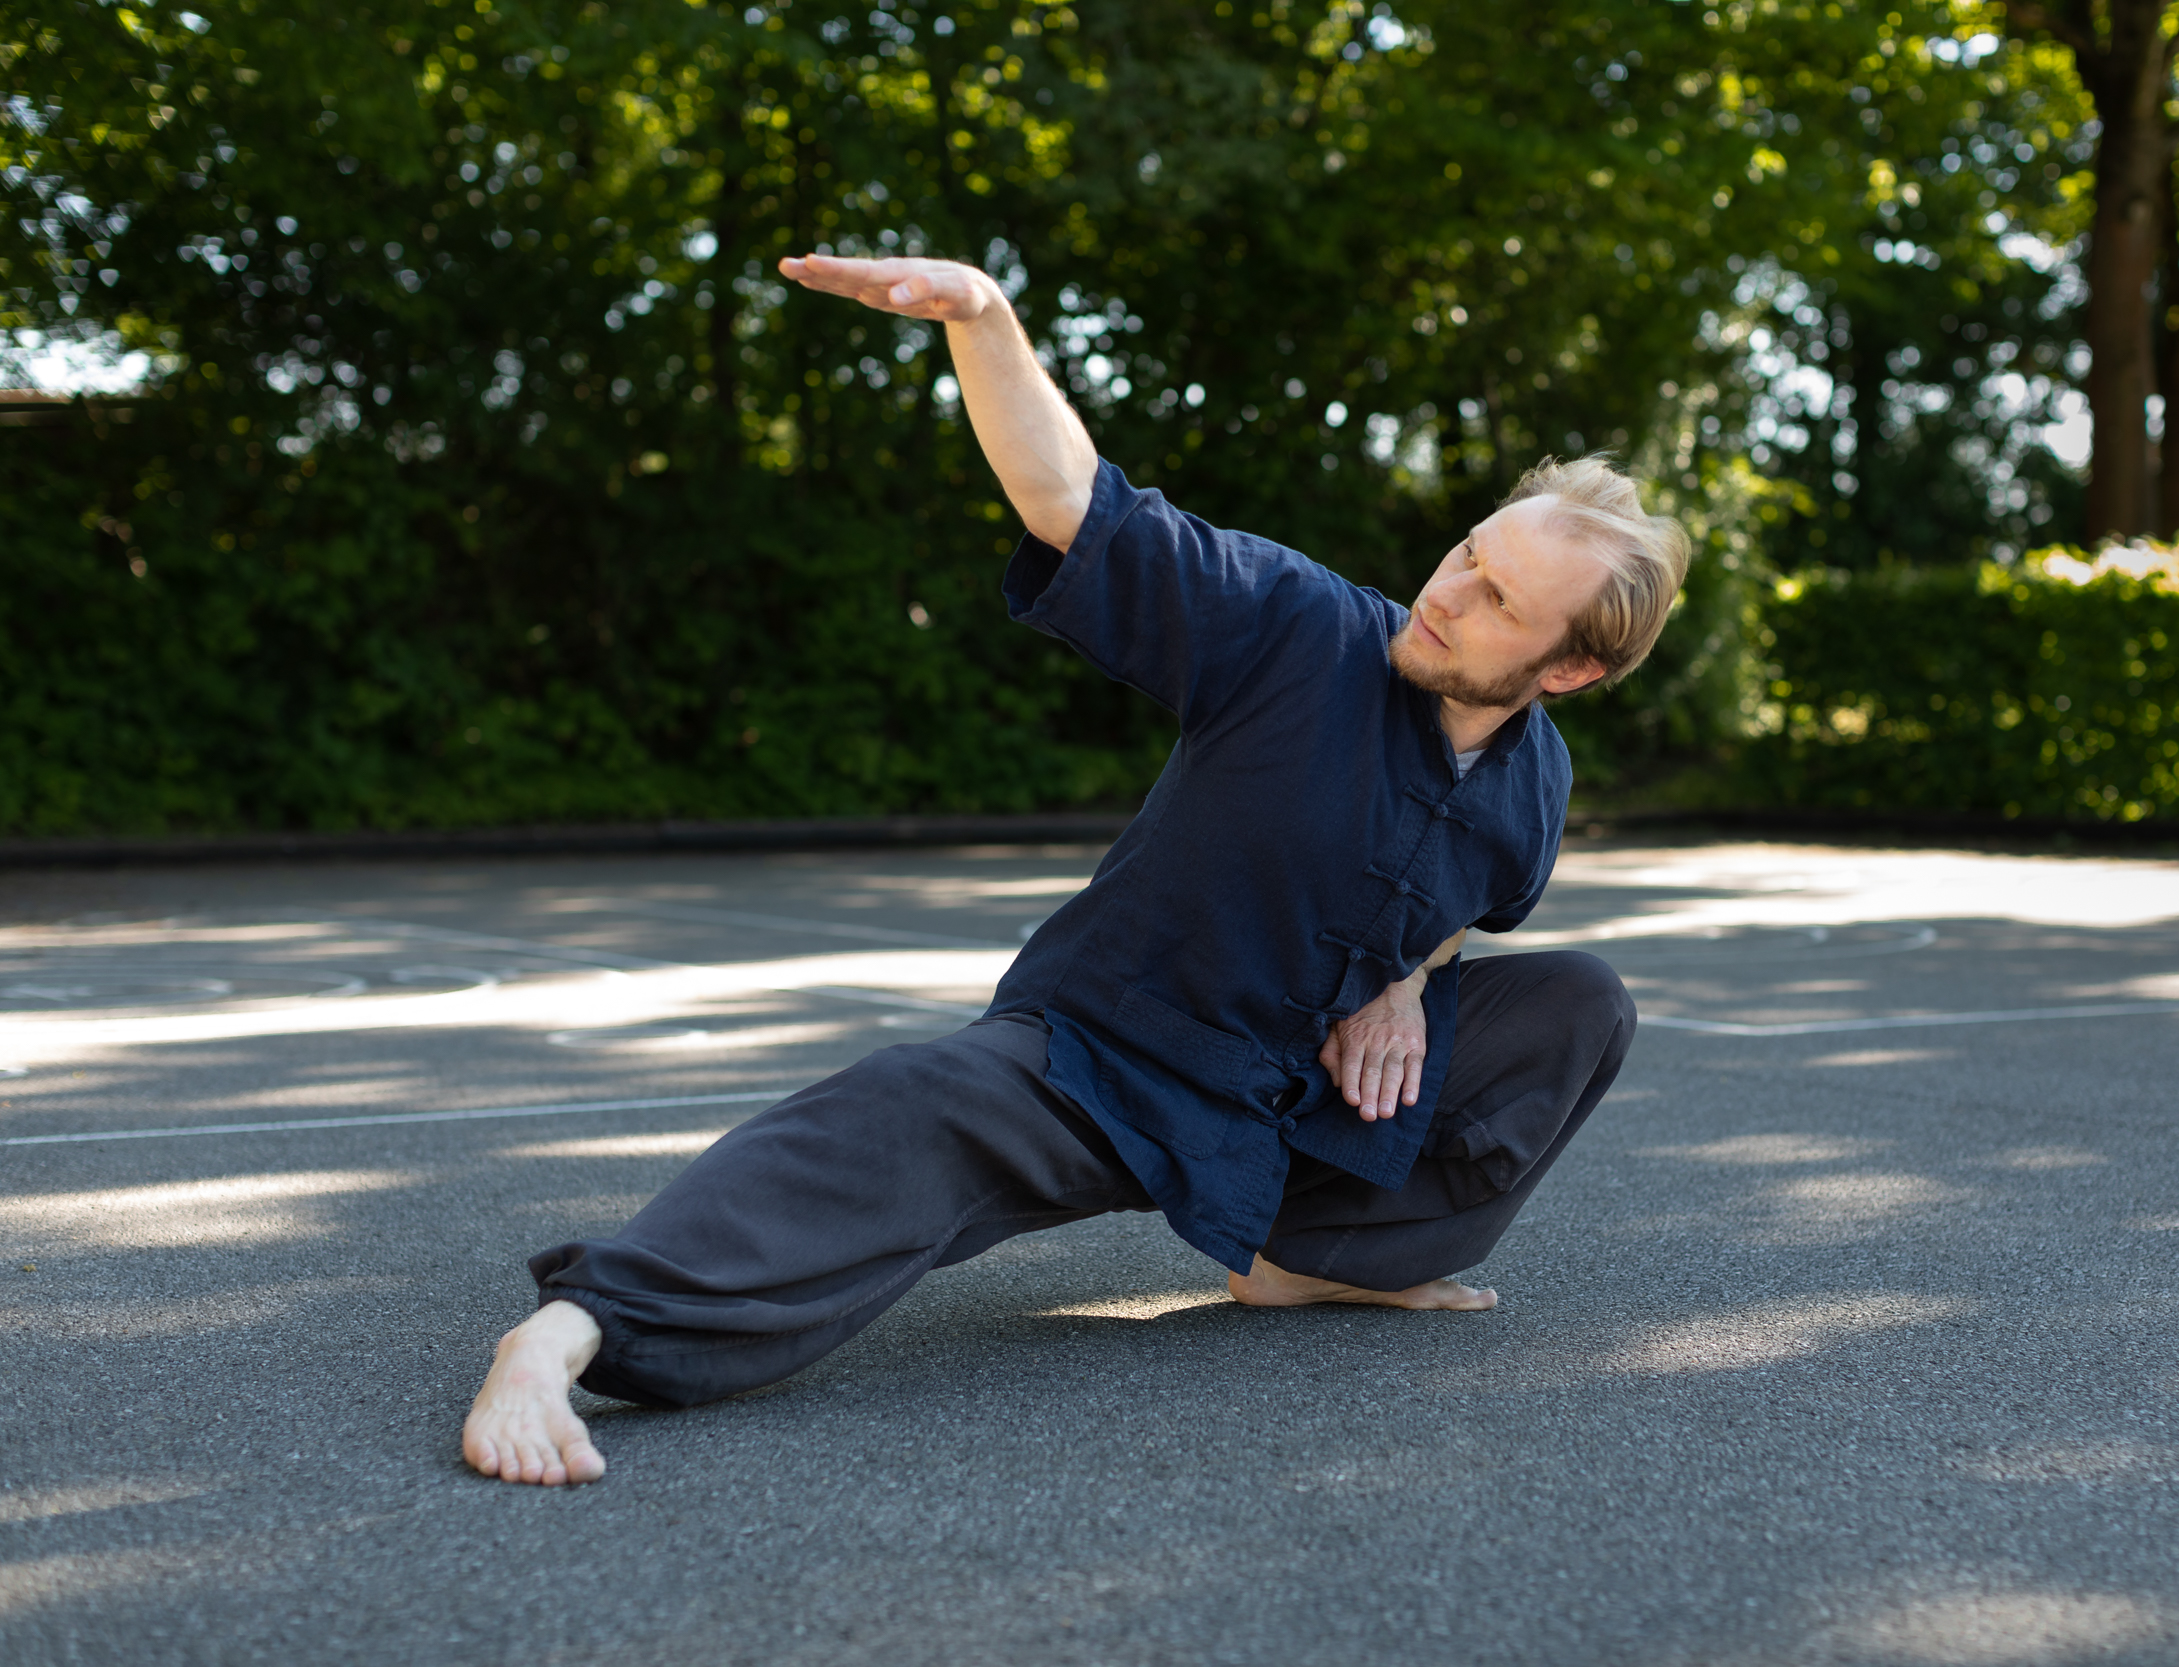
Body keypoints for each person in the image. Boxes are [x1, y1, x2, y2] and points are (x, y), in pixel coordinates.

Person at [461, 252, 1692, 1485]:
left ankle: (1309, 1255)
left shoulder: (1536, 780)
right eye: (1469, 551)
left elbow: (1464, 905)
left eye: (1496, 598)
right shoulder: (1300, 628)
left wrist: (1406, 982)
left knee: (1579, 1006)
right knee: (901, 1106)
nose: (1449, 591)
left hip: (1286, 1100)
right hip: (1103, 1054)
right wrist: (984, 323)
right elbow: (1075, 500)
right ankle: (569, 1330)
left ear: (1566, 668)